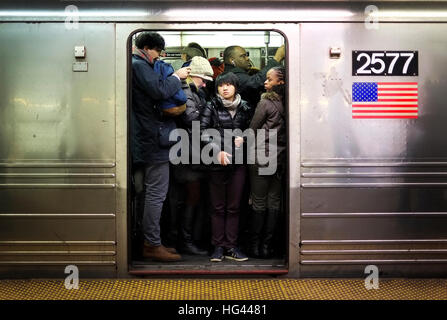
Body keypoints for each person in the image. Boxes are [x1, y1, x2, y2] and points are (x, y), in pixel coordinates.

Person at [131, 31, 191, 262]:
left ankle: (151, 241)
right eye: (157, 53)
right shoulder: (139, 65)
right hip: (152, 139)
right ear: (147, 47)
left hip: (149, 137)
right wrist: (176, 76)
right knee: (156, 194)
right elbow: (160, 91)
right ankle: (151, 244)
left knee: (150, 193)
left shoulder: (140, 64)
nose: (158, 58)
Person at [200, 72, 252, 262]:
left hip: (238, 163)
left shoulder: (246, 107)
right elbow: (202, 132)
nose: (225, 88)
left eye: (229, 85)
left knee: (234, 207)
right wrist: (217, 152)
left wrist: (244, 138)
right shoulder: (210, 106)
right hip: (216, 163)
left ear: (236, 88)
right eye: (222, 85)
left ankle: (231, 246)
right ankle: (217, 247)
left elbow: (253, 130)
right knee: (217, 206)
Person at [175, 56, 214, 255]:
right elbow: (191, 118)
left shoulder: (194, 90)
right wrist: (208, 112)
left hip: (193, 151)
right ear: (192, 76)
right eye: (203, 79)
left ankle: (189, 238)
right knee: (192, 196)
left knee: (194, 196)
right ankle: (185, 240)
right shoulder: (185, 89)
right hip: (186, 152)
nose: (205, 83)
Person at [248, 66, 286, 258]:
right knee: (274, 202)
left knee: (259, 202)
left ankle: (255, 247)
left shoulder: (265, 102)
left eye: (269, 79)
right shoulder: (288, 103)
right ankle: (267, 246)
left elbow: (252, 128)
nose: (265, 82)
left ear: (280, 82)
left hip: (262, 157)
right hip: (280, 160)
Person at [222, 45, 285, 109]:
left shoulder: (236, 73)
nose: (247, 58)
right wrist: (277, 58)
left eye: (246, 55)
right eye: (243, 56)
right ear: (232, 60)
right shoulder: (232, 75)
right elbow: (255, 83)